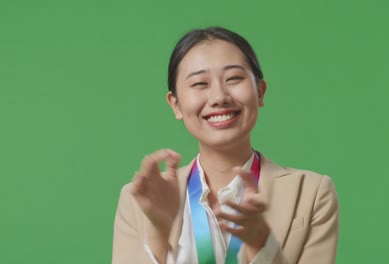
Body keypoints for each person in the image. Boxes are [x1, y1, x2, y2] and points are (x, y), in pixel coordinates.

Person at [112, 27, 339, 264]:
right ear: (175, 104)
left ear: (260, 92)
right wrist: (159, 234)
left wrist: (261, 243)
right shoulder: (139, 200)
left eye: (234, 79)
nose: (219, 96)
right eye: (200, 83)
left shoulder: (311, 193)